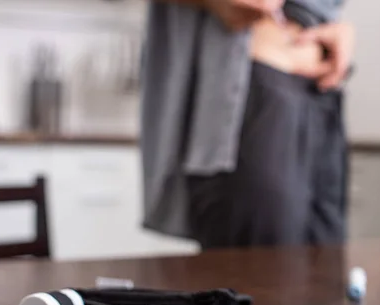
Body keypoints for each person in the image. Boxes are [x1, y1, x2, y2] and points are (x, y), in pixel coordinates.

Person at [140, 0, 354, 249]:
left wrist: (336, 24)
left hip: (321, 93)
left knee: (326, 271)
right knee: (262, 274)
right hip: (251, 90)